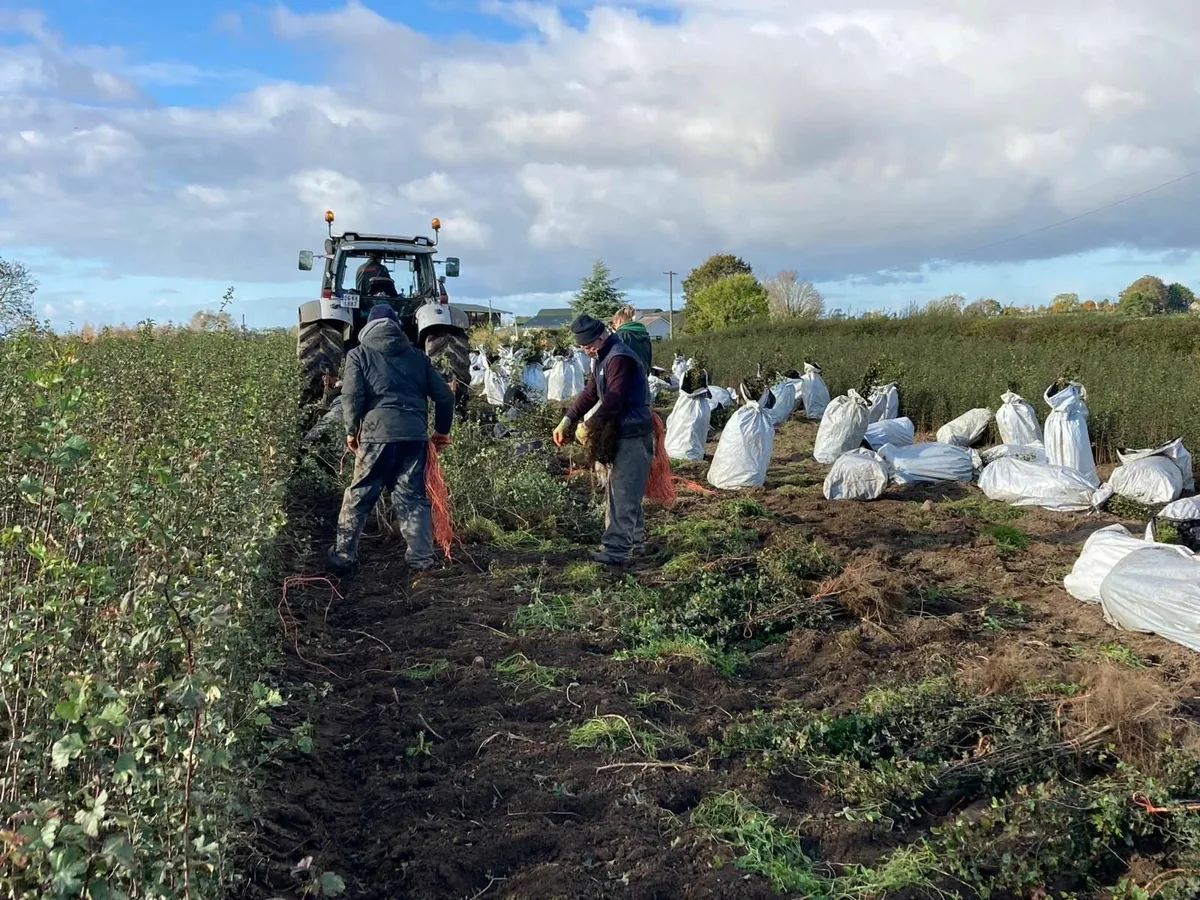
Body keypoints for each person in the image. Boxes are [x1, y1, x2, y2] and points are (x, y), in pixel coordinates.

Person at [329, 305, 454, 573]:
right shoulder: (418, 357)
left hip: (376, 437)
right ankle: (421, 560)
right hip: (414, 437)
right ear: (397, 325)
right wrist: (442, 431)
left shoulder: (358, 354)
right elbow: (445, 395)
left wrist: (352, 430)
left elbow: (351, 396)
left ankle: (343, 557)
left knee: (359, 496)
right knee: (412, 498)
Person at [553, 314, 652, 566]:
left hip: (633, 431)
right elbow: (590, 391)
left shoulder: (619, 357)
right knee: (625, 489)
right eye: (583, 348)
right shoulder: (600, 357)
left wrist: (589, 425)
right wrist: (568, 419)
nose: (586, 351)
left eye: (589, 346)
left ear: (601, 336)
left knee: (622, 491)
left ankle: (616, 550)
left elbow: (614, 399)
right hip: (621, 429)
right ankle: (636, 542)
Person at [611, 305, 653, 373]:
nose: (614, 327)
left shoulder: (621, 335)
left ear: (619, 320)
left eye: (614, 323)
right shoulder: (644, 334)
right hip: (643, 375)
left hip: (625, 376)